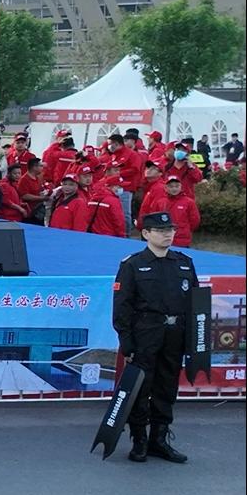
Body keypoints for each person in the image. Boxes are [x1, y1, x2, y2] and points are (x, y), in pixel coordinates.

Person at [112, 212, 197, 464]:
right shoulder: (132, 264)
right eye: (161, 231)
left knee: (166, 387)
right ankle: (139, 439)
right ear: (146, 234)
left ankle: (158, 440)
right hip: (145, 333)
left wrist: (194, 339)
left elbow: (195, 303)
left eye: (170, 230)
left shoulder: (184, 263)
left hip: (175, 334)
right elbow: (122, 306)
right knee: (141, 387)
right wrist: (126, 341)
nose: (167, 234)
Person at [139, 175, 200, 247]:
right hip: (162, 237)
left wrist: (184, 230)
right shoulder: (160, 202)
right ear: (165, 188)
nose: (174, 189)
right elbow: (154, 217)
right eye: (171, 186)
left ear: (181, 187)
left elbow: (195, 220)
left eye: (177, 186)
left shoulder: (189, 202)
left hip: (181, 239)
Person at [75, 165, 127, 237]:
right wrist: (122, 236)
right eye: (85, 176)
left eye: (90, 176)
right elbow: (118, 221)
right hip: (104, 234)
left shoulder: (93, 192)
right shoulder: (75, 193)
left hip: (93, 232)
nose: (88, 178)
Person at [17, 158, 50, 224]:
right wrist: (42, 198)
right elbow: (24, 196)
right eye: (41, 166)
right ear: (34, 167)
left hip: (38, 211)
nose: (42, 168)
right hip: (30, 213)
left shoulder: (37, 178)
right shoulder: (24, 180)